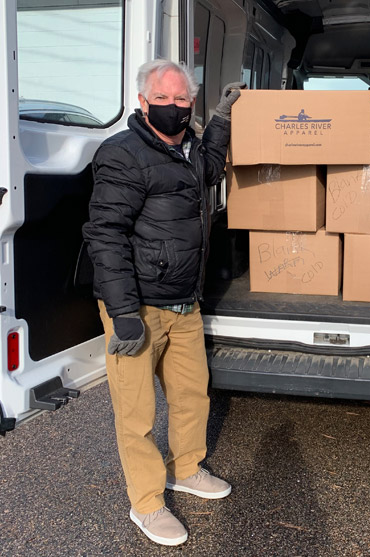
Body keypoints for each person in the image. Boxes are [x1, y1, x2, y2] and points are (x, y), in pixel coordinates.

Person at [82, 59, 245, 547]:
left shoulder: (191, 149)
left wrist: (220, 120)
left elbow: (210, 170)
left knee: (193, 396)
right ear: (143, 101)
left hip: (183, 302)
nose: (173, 107)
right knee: (136, 415)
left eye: (182, 100)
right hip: (137, 307)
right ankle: (147, 503)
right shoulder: (122, 154)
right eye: (164, 99)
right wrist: (124, 313)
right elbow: (104, 235)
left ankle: (186, 469)